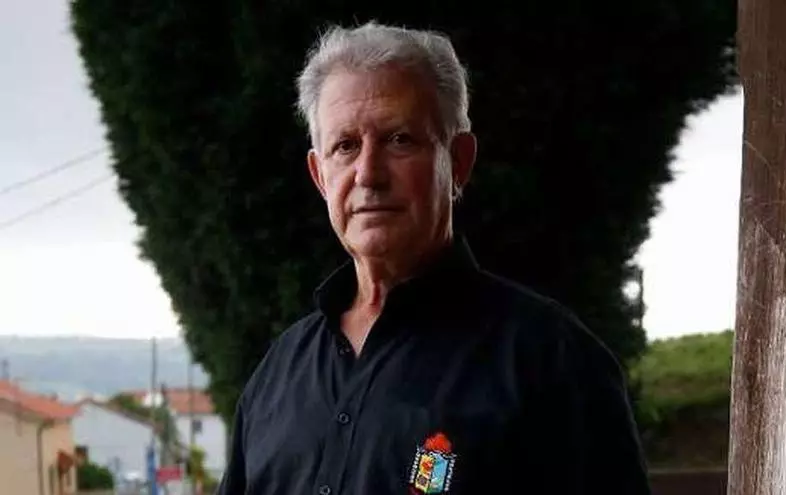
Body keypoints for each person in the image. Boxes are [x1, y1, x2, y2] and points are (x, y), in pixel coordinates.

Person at [217, 21, 650, 495]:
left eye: (399, 139)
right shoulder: (278, 373)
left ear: (458, 161)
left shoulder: (552, 362)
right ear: (320, 176)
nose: (368, 173)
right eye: (345, 146)